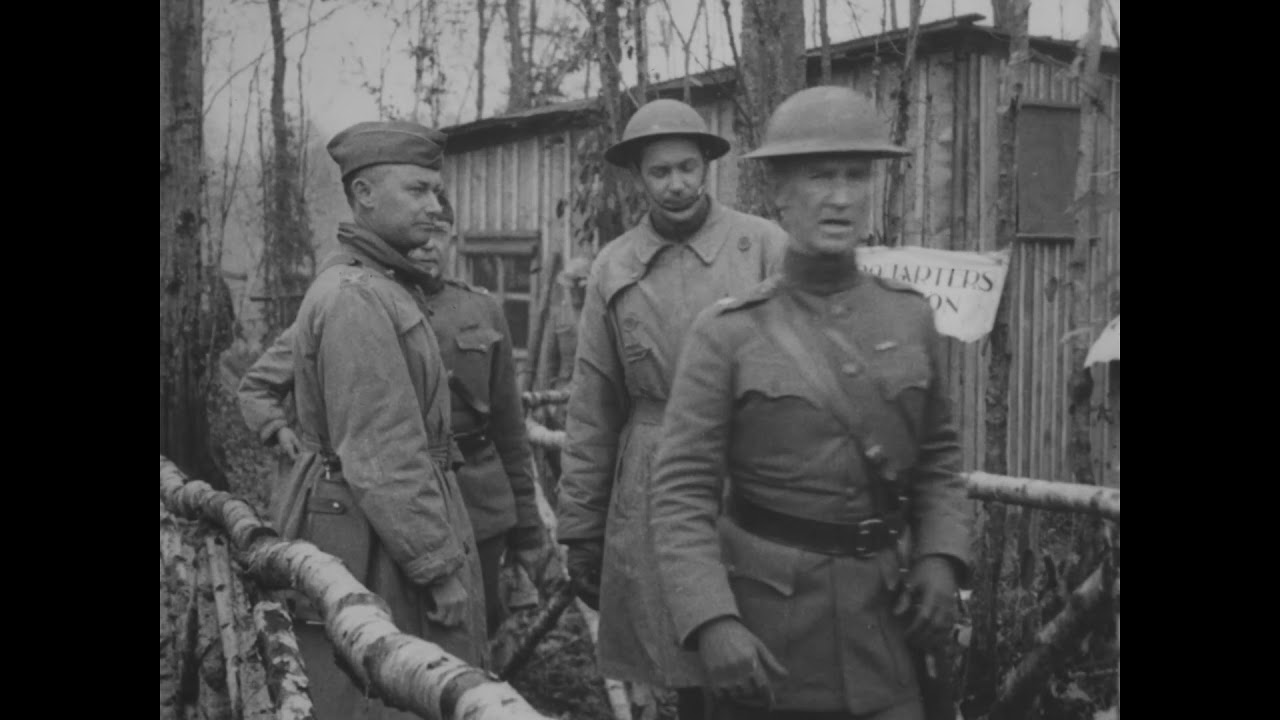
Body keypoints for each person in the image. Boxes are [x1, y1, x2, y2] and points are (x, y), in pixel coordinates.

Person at [647, 86, 974, 720]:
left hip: (888, 625)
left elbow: (937, 457)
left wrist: (940, 556)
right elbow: (682, 494)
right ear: (778, 194)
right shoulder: (729, 332)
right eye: (821, 175)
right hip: (769, 640)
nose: (842, 196)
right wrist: (712, 621)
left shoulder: (909, 316)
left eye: (857, 175)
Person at [555, 98, 789, 719]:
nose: (677, 184)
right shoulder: (614, 266)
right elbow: (594, 406)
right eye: (660, 172)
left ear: (708, 167)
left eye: (688, 167)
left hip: (754, 475)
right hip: (654, 476)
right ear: (638, 178)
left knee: (771, 650)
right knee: (682, 656)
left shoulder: (763, 246)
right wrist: (580, 528)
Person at [262, 120, 488, 719]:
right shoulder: (358, 296)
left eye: (436, 192)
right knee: (382, 694)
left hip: (376, 522)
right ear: (363, 194)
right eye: (417, 190)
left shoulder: (381, 285)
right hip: (371, 534)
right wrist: (438, 568)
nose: (435, 207)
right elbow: (383, 453)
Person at [238, 218, 552, 640]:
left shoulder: (481, 308)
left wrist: (528, 531)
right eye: (418, 233)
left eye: (439, 234)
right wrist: (277, 428)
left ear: (453, 241)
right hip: (393, 500)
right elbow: (260, 383)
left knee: (477, 628)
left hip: (479, 501)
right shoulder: (360, 302)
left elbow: (510, 432)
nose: (427, 245)